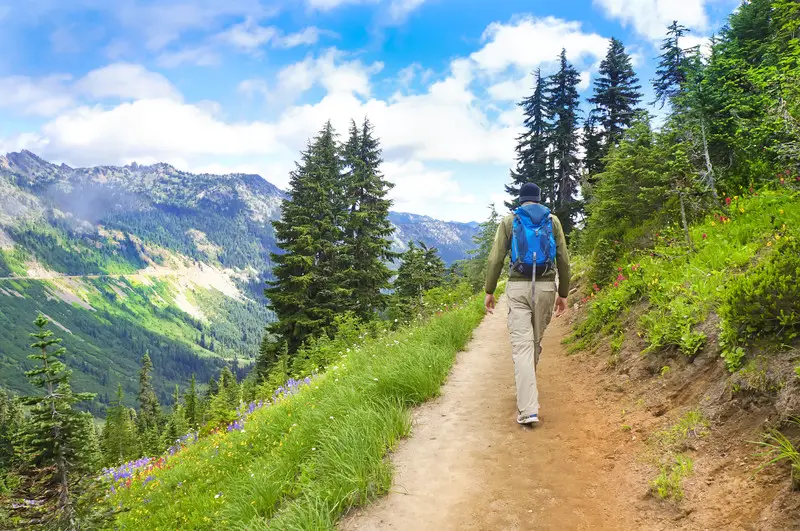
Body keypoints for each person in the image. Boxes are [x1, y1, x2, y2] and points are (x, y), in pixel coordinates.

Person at [484, 182, 570, 425]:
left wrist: (489, 290)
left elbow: (495, 258)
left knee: (523, 347)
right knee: (533, 343)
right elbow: (563, 259)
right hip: (545, 287)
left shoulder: (510, 221)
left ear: (521, 200)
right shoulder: (552, 221)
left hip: (518, 287)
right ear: (539, 199)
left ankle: (528, 408)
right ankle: (527, 397)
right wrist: (562, 293)